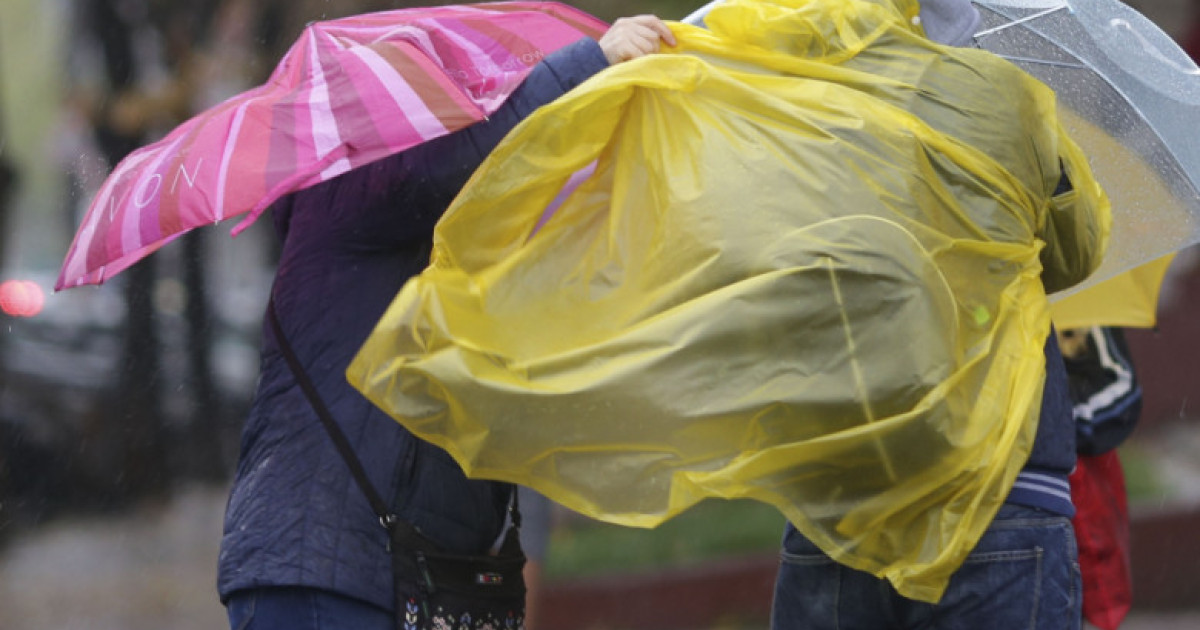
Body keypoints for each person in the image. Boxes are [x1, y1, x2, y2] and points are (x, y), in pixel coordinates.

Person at [217, 14, 676, 630]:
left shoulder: (408, 228)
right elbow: (472, 156)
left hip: (360, 568)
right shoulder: (354, 185)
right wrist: (590, 64)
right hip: (326, 572)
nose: (454, 110)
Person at [769, 0, 1102, 628]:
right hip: (998, 488)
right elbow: (1074, 253)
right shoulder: (1000, 96)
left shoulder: (787, 107)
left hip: (838, 495)